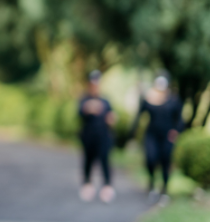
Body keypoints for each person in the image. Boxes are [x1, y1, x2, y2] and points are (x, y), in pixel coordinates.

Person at [129, 73, 184, 204]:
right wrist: (131, 134)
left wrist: (176, 131)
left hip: (167, 136)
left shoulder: (173, 100)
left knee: (165, 161)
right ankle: (152, 183)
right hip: (151, 134)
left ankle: (165, 189)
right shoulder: (149, 99)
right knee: (151, 158)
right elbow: (139, 116)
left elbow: (180, 119)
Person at [77, 70, 117, 203]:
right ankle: (87, 185)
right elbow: (80, 113)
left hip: (103, 137)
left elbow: (111, 116)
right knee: (88, 161)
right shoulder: (84, 99)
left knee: (105, 161)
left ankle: (107, 187)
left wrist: (111, 119)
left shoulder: (105, 100)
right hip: (88, 137)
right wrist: (89, 108)